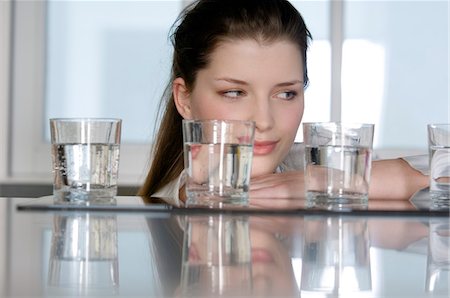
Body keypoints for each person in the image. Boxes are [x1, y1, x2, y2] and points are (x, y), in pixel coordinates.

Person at [138, 0, 428, 206]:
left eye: (286, 94)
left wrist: (310, 183)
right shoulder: (172, 209)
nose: (264, 121)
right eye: (235, 93)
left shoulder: (310, 165)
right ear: (184, 99)